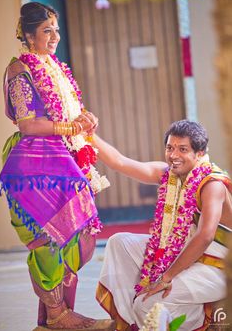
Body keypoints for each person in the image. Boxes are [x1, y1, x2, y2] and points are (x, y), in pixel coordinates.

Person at [0, 2, 115, 330]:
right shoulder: (19, 70)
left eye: (56, 29)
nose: (55, 36)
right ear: (28, 34)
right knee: (49, 241)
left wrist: (84, 121)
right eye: (47, 30)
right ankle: (56, 316)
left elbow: (65, 113)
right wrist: (71, 127)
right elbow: (27, 124)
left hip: (65, 160)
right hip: (37, 165)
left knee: (81, 241)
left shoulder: (53, 66)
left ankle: (56, 318)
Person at [94, 120, 232, 331]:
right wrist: (88, 134)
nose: (174, 155)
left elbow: (205, 236)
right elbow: (119, 162)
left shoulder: (212, 184)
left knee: (149, 307)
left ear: (200, 153)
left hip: (220, 267)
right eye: (170, 148)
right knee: (119, 242)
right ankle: (131, 322)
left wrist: (166, 278)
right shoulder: (169, 175)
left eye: (182, 149)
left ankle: (192, 318)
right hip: (189, 255)